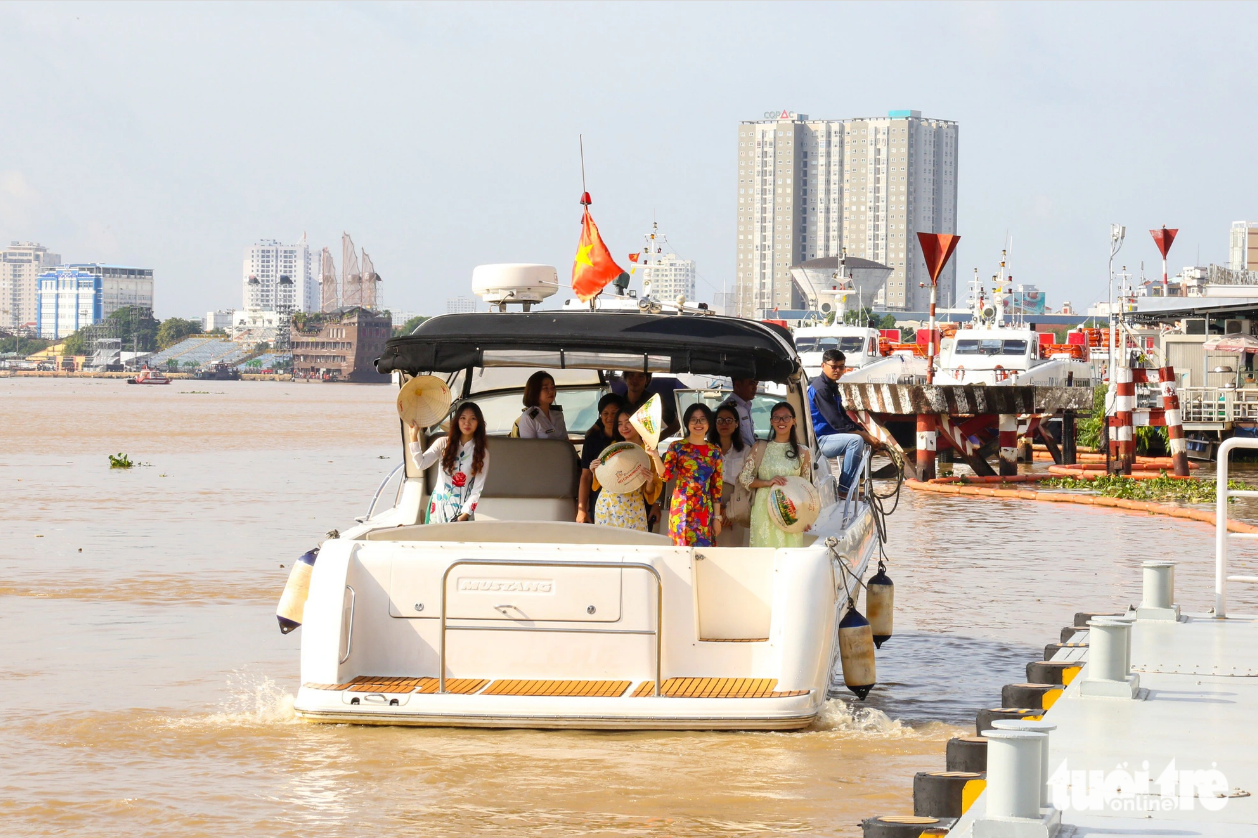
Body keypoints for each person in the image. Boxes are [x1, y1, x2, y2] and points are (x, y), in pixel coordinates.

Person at [739, 401, 811, 549]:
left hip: (790, 510)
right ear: (771, 421)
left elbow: (806, 489)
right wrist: (768, 482)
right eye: (777, 418)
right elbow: (744, 478)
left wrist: (806, 518)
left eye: (786, 417)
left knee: (789, 557)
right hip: (763, 509)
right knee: (763, 555)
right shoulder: (759, 447)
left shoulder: (803, 452)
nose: (781, 422)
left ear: (794, 420)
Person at [808, 349, 879, 493]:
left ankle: (855, 484)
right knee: (855, 441)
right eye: (834, 367)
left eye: (841, 367)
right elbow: (837, 423)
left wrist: (865, 432)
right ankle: (844, 490)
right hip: (818, 441)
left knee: (860, 438)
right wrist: (864, 436)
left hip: (829, 437)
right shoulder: (821, 389)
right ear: (823, 366)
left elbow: (843, 417)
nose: (838, 370)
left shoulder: (831, 386)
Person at [407, 401, 490, 524]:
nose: (467, 422)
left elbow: (477, 489)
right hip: (438, 507)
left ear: (478, 423)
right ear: (457, 421)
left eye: (473, 418)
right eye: (463, 418)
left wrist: (464, 515)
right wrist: (413, 437)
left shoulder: (482, 453)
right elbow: (421, 464)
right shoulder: (443, 443)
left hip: (462, 513)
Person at [591, 409, 665, 531]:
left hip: (633, 505)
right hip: (607, 503)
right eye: (619, 424)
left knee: (633, 546)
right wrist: (595, 471)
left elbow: (650, 491)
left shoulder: (648, 451)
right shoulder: (614, 446)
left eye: (628, 422)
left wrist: (650, 481)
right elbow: (603, 479)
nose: (624, 427)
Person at [662, 403, 723, 547]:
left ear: (709, 423)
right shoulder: (677, 447)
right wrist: (653, 454)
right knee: (680, 550)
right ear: (687, 423)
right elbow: (665, 476)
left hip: (704, 508)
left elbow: (716, 487)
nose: (698, 423)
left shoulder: (714, 451)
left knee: (704, 553)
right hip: (682, 505)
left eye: (702, 419)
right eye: (693, 419)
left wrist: (717, 517)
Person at [577, 393, 625, 523]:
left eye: (614, 413)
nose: (610, 417)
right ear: (600, 416)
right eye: (605, 413)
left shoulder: (629, 439)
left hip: (628, 504)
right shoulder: (592, 441)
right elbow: (586, 477)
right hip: (599, 503)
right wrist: (581, 510)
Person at [709, 401, 750, 547]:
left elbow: (747, 483)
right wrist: (718, 511)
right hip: (710, 507)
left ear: (737, 424)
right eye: (720, 420)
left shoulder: (746, 451)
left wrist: (729, 510)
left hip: (736, 506)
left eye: (729, 420)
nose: (724, 424)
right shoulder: (707, 450)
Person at [618, 370, 681, 440]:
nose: (635, 380)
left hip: (647, 450)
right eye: (631, 375)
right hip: (621, 447)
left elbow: (675, 426)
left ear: (647, 380)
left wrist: (654, 441)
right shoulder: (617, 401)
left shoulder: (654, 401)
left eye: (641, 376)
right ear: (625, 377)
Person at [511, 371, 568, 440]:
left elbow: (566, 441)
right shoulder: (529, 418)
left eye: (553, 387)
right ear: (535, 391)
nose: (551, 391)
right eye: (545, 388)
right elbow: (529, 448)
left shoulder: (558, 413)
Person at [728, 377, 759, 447]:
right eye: (752, 383)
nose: (755, 388)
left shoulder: (746, 406)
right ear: (738, 385)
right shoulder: (728, 409)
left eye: (756, 384)